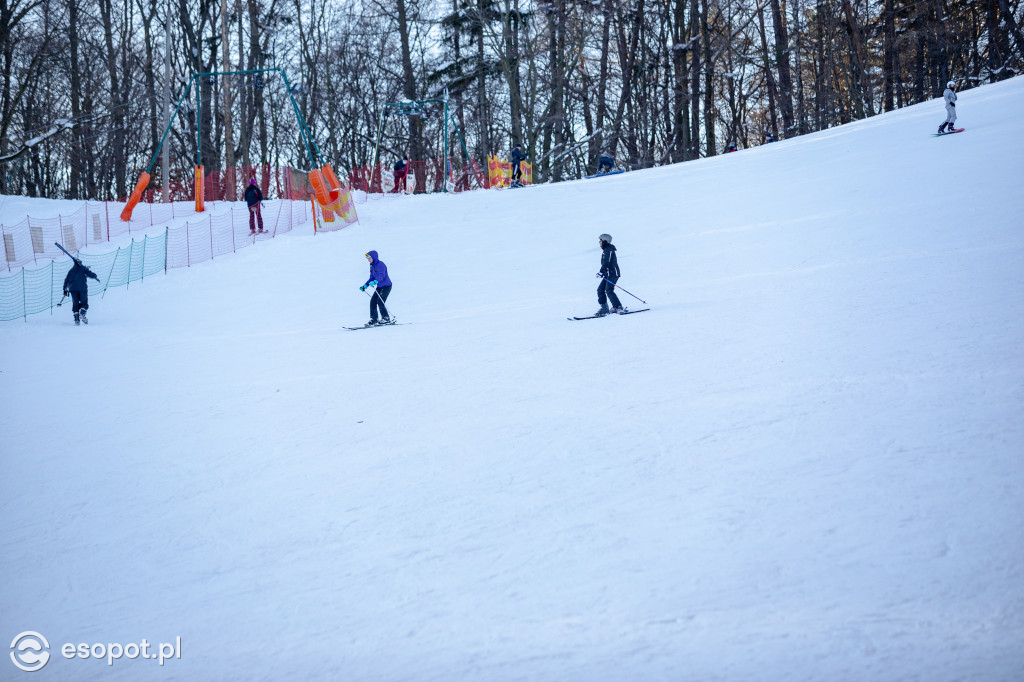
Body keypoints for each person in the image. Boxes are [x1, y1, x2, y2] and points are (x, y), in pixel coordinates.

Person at [62, 257, 100, 326]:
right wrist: (95, 276)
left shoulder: (71, 271)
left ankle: (76, 319)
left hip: (73, 290)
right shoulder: (83, 269)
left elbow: (66, 280)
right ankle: (82, 313)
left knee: (75, 304)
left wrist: (65, 289)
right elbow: (91, 275)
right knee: (84, 303)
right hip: (82, 289)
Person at [359, 250, 393, 325]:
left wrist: (375, 281)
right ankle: (374, 319)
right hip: (380, 286)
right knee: (373, 301)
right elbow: (371, 278)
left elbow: (382, 276)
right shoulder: (372, 266)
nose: (368, 260)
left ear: (374, 257)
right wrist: (365, 286)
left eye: (369, 258)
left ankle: (386, 318)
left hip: (386, 286)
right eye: (367, 258)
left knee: (380, 301)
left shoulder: (381, 264)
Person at [595, 233, 623, 316]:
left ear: (605, 241)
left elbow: (606, 262)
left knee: (609, 290)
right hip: (608, 274)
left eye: (600, 240)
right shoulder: (606, 250)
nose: (599, 242)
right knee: (600, 290)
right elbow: (605, 263)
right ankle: (604, 308)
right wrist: (603, 272)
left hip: (613, 273)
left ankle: (617, 307)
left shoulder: (609, 249)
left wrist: (601, 271)